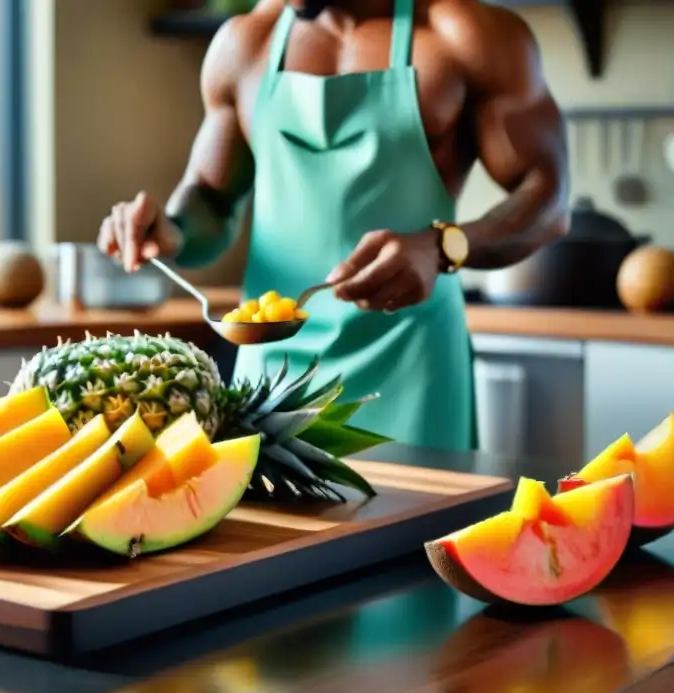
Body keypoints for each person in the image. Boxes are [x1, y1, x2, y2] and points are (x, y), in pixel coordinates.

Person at [97, 0, 569, 452]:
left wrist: (442, 246)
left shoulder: (462, 34)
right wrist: (173, 230)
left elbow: (549, 196)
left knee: (419, 534)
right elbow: (211, 199)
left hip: (410, 363)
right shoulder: (244, 43)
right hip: (271, 369)